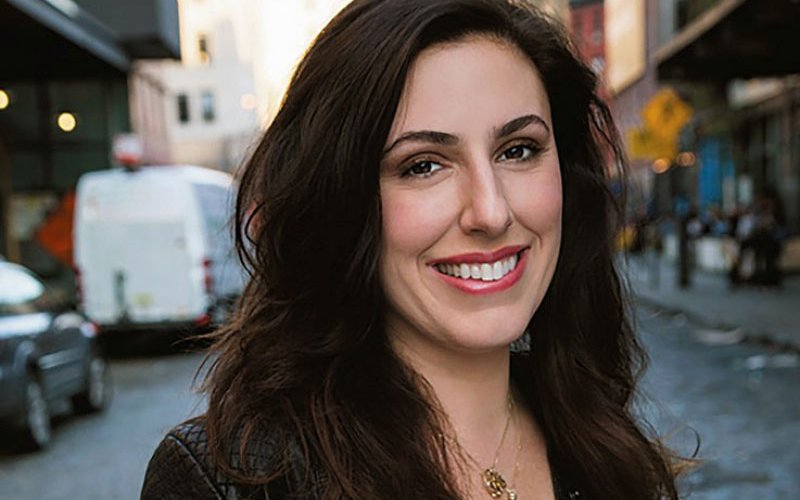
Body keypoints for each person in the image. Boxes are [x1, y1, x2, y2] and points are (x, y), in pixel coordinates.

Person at [141, 1, 681, 498]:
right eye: (423, 165)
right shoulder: (229, 480)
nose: (491, 212)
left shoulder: (601, 441)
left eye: (518, 150)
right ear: (340, 203)